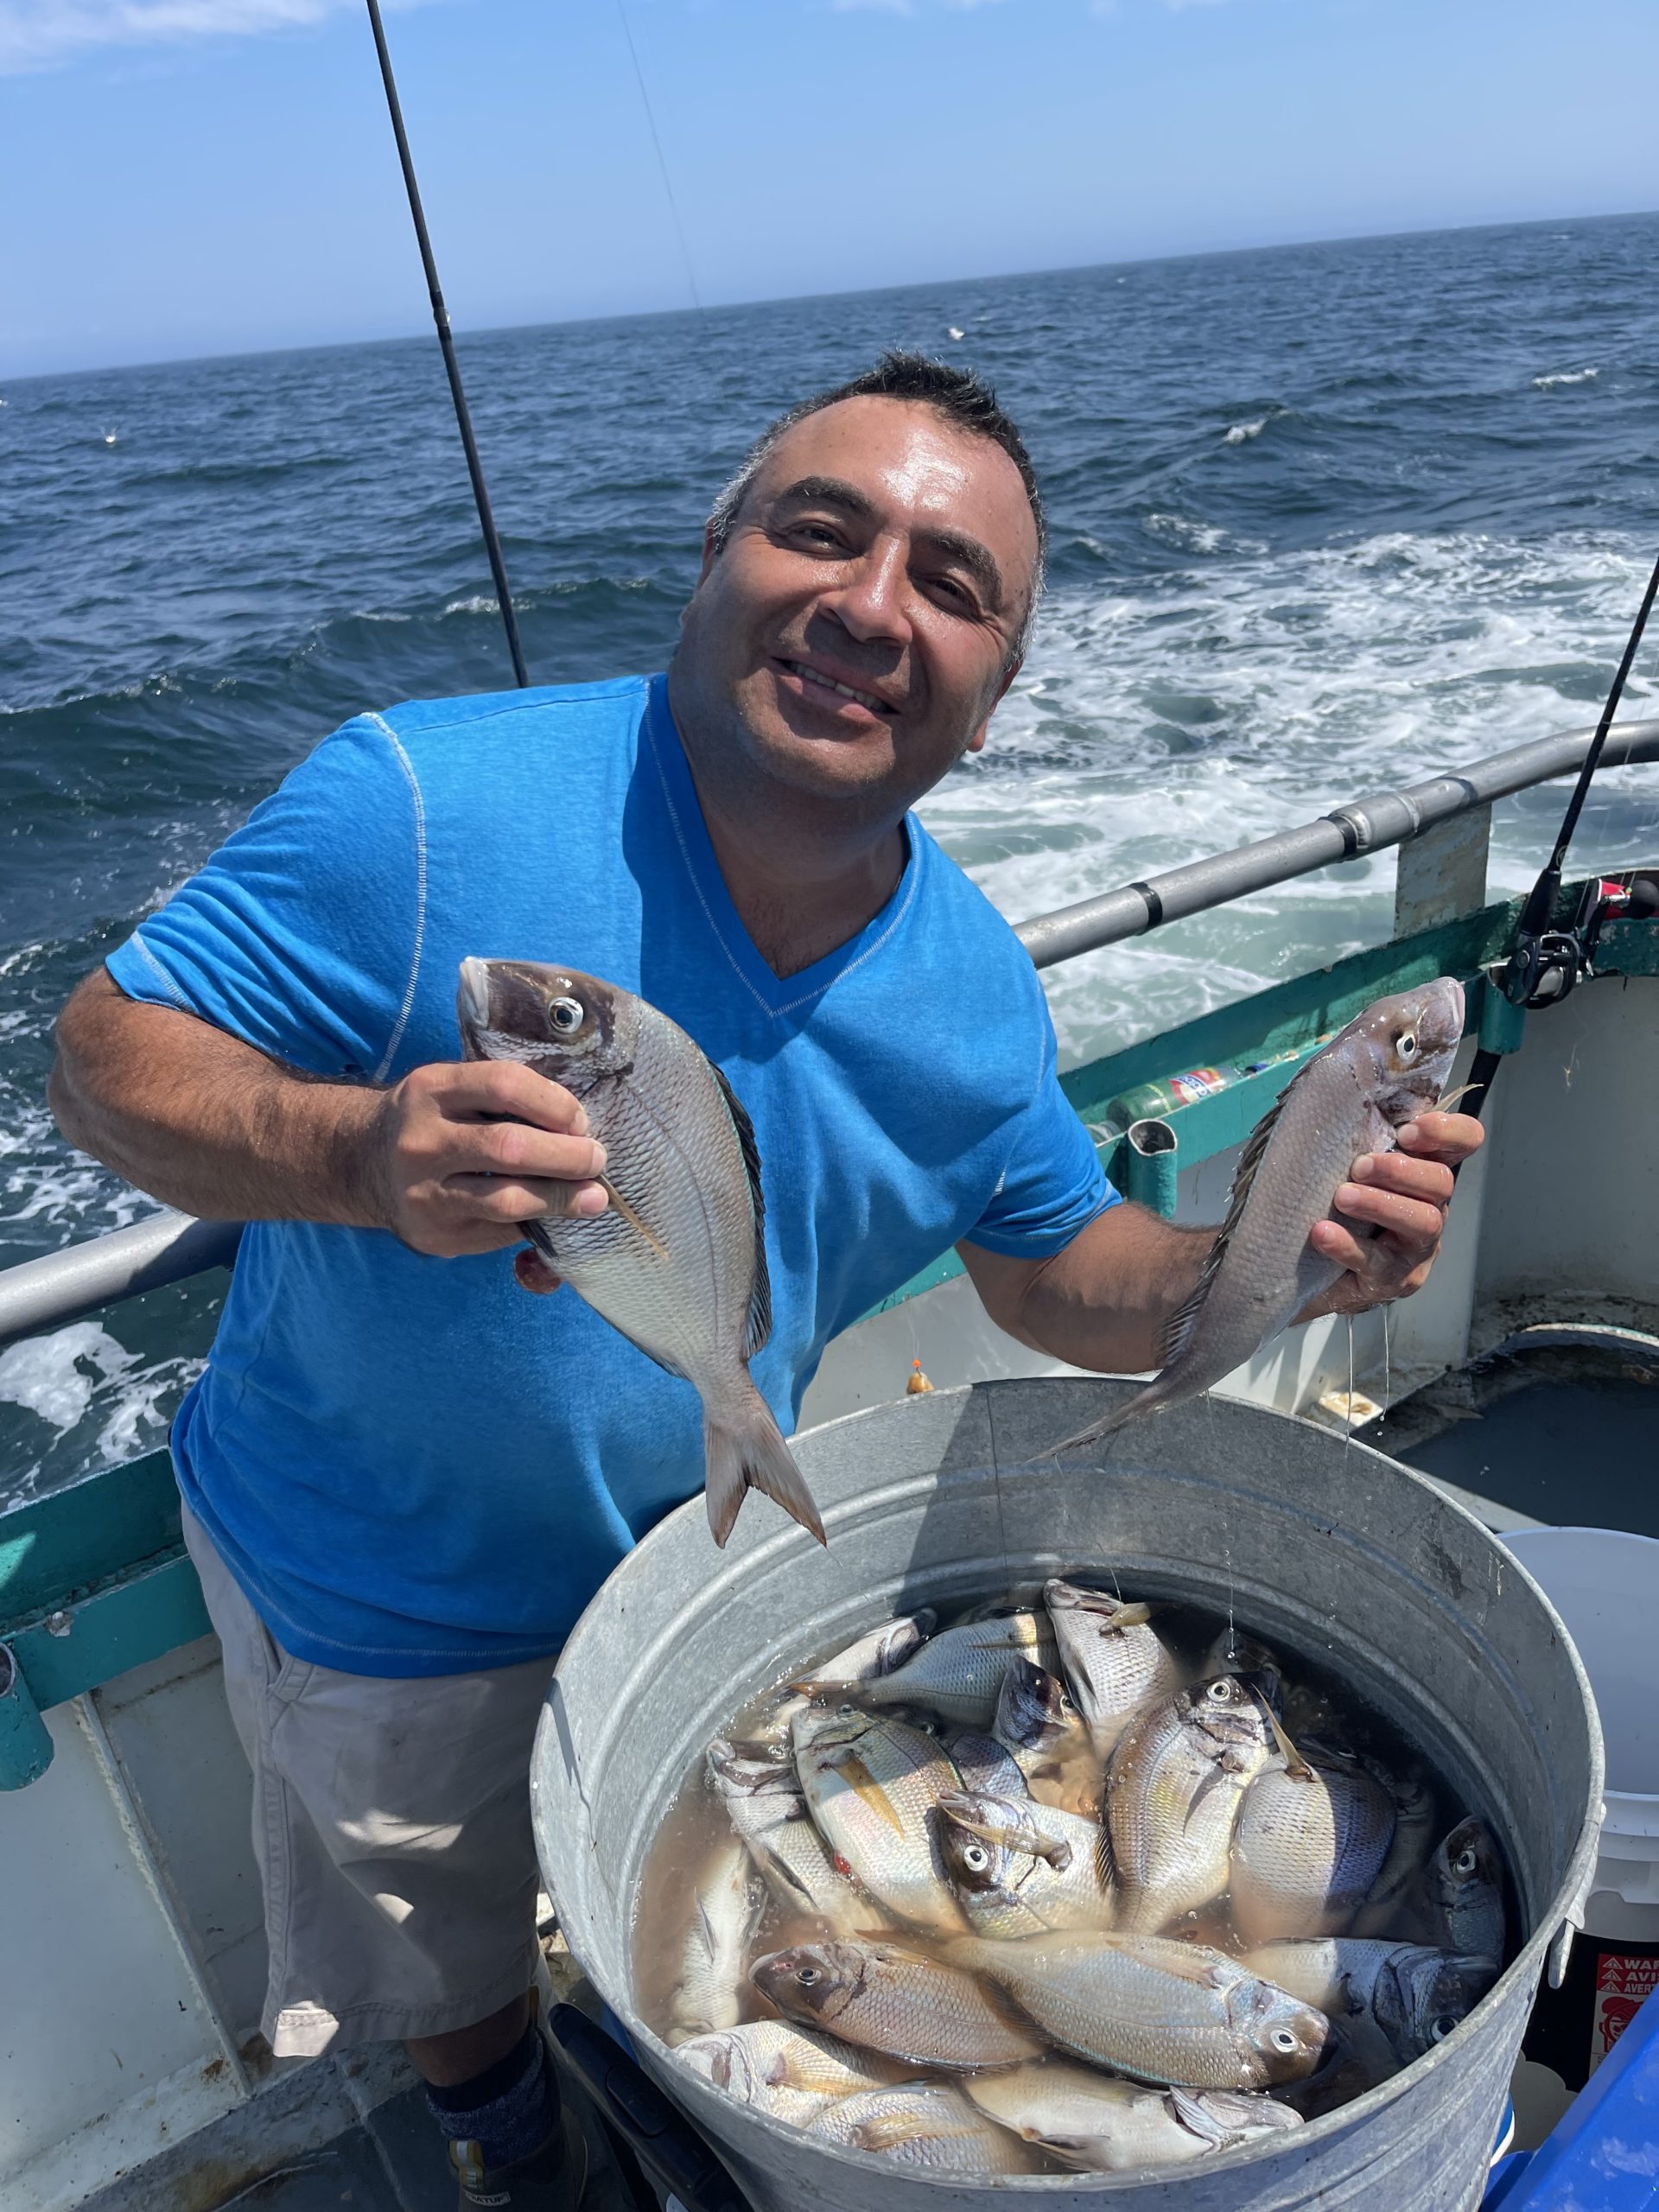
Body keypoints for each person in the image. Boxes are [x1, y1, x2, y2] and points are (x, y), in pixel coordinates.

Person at [49, 353, 1482, 2208]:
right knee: (444, 1951)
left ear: (995, 699)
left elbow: (1064, 1269)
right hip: (379, 1580)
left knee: (730, 1920)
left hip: (714, 1556)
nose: (872, 606)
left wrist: (1274, 1264)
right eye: (821, 531)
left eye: (952, 585)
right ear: (712, 559)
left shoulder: (973, 996)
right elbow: (104, 1058)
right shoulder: (420, 802)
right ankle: (510, 2140)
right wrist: (355, 1155)